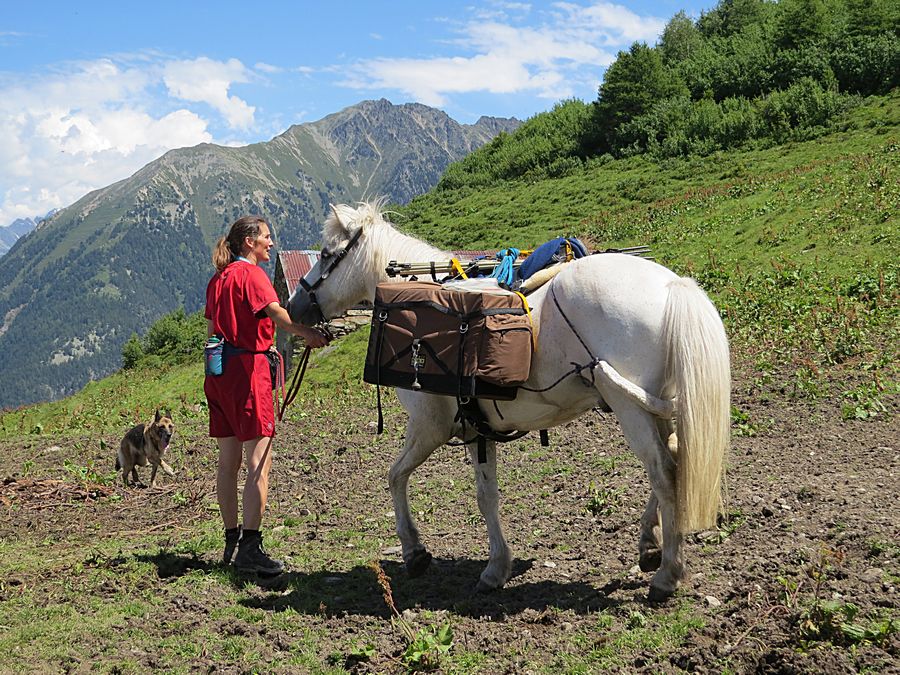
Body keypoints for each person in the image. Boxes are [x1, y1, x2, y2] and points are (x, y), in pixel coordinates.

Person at [204, 216, 330, 575]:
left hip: (219, 373)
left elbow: (213, 329)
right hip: (249, 373)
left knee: (228, 463)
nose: (271, 244)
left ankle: (231, 539)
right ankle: (251, 546)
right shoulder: (252, 275)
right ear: (249, 242)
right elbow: (277, 315)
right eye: (266, 238)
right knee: (260, 461)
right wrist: (308, 334)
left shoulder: (218, 280)